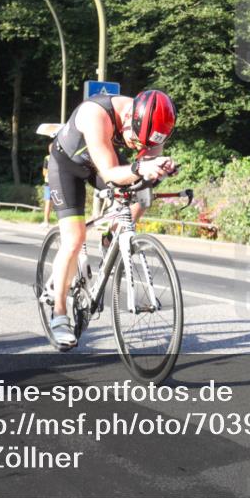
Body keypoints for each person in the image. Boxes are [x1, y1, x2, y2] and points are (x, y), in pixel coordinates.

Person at [45, 89, 177, 347]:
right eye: (134, 141)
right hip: (67, 167)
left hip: (101, 162)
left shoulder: (152, 125)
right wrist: (140, 167)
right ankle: (59, 315)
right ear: (129, 118)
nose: (137, 148)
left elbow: (145, 170)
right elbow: (110, 172)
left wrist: (158, 168)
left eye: (144, 145)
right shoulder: (96, 114)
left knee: (142, 194)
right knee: (74, 238)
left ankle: (111, 237)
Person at [41, 154, 52, 228]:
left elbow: (44, 172)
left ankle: (46, 222)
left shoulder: (47, 158)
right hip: (60, 182)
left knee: (48, 202)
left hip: (49, 182)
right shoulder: (62, 156)